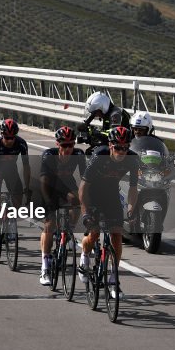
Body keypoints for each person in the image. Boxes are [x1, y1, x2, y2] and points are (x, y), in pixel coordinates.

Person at [79, 126, 138, 299]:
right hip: (93, 194)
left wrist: (131, 209)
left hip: (111, 195)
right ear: (110, 146)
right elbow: (83, 188)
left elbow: (134, 189)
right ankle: (84, 257)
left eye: (125, 148)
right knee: (94, 233)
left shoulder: (133, 159)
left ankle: (113, 279)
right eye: (118, 148)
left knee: (117, 236)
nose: (122, 152)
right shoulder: (99, 155)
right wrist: (85, 213)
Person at [38, 126, 86, 285]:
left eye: (71, 145)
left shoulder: (78, 154)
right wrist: (49, 205)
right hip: (49, 186)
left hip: (66, 184)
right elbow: (44, 181)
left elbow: (85, 179)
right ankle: (45, 266)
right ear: (57, 144)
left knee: (76, 201)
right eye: (64, 145)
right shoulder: (49, 155)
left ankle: (69, 230)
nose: (68, 149)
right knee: (49, 225)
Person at [0, 118, 31, 248]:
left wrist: (27, 186)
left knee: (18, 197)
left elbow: (26, 166)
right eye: (7, 137)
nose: (9, 140)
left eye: (12, 137)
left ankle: (11, 223)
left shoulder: (21, 144)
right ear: (2, 134)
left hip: (11, 171)